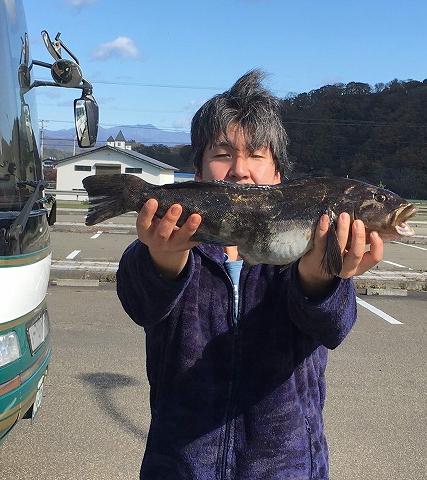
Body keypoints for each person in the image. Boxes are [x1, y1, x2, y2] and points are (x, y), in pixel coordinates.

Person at [116, 69, 384, 479]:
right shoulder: (166, 241)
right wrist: (164, 260)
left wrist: (320, 278)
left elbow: (333, 328)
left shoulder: (309, 243)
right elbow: (140, 304)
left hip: (286, 467)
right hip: (179, 467)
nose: (240, 170)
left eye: (257, 155)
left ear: (279, 175)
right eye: (223, 154)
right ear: (198, 173)